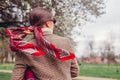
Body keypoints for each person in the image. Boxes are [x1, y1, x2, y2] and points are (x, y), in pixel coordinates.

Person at [8, 7, 79, 80]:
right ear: (48, 23)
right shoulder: (65, 42)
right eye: (53, 21)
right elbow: (74, 71)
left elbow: (16, 77)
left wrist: (30, 75)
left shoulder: (25, 48)